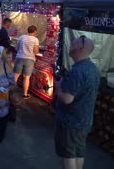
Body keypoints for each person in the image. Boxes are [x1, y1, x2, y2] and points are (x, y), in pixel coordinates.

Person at [54, 36, 99, 169]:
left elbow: (67, 99)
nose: (71, 43)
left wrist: (58, 87)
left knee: (68, 155)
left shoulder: (77, 71)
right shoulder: (92, 68)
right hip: (84, 120)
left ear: (81, 47)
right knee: (78, 152)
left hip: (70, 122)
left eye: (75, 42)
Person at [13, 25, 39, 99]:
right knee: (26, 77)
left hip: (19, 58)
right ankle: (25, 94)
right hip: (29, 59)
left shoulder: (21, 37)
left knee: (15, 75)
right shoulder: (35, 39)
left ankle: (8, 91)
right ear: (34, 31)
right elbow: (36, 51)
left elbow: (16, 48)